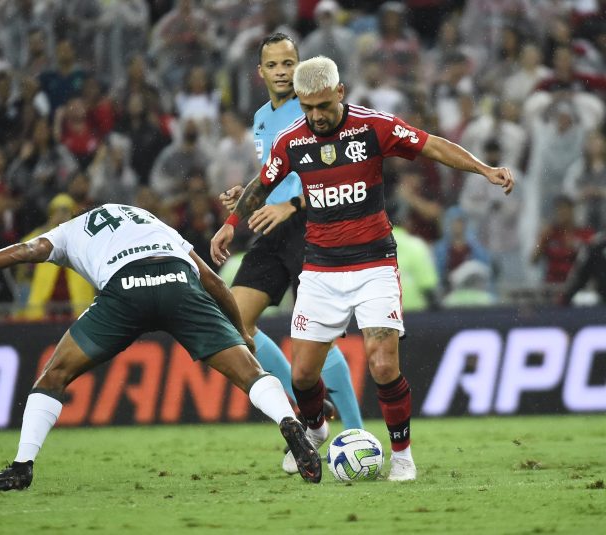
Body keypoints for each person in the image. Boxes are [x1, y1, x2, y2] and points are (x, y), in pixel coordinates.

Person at [210, 56, 514, 482]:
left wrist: (483, 169)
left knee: (383, 364)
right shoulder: (291, 140)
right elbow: (263, 184)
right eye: (307, 107)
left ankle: (403, 456)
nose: (315, 115)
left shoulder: (374, 127)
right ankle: (316, 428)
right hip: (319, 269)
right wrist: (229, 225)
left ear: (340, 92)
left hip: (374, 264)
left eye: (323, 106)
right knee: (302, 375)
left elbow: (432, 144)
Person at [0, 203, 322, 490]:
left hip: (126, 289)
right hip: (177, 281)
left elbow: (28, 251)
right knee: (250, 373)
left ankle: (21, 467)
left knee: (54, 375)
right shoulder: (149, 220)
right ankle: (288, 423)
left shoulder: (71, 230)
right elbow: (214, 283)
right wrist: (242, 335)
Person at [220, 34, 364, 477]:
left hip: (311, 226)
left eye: (289, 63)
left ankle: (356, 434)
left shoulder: (315, 112)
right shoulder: (263, 117)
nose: (282, 71)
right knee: (234, 324)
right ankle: (309, 412)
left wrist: (291, 204)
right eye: (273, 64)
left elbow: (327, 172)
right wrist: (238, 209)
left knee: (316, 336)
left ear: (301, 67)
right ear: (259, 72)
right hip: (269, 229)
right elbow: (273, 175)